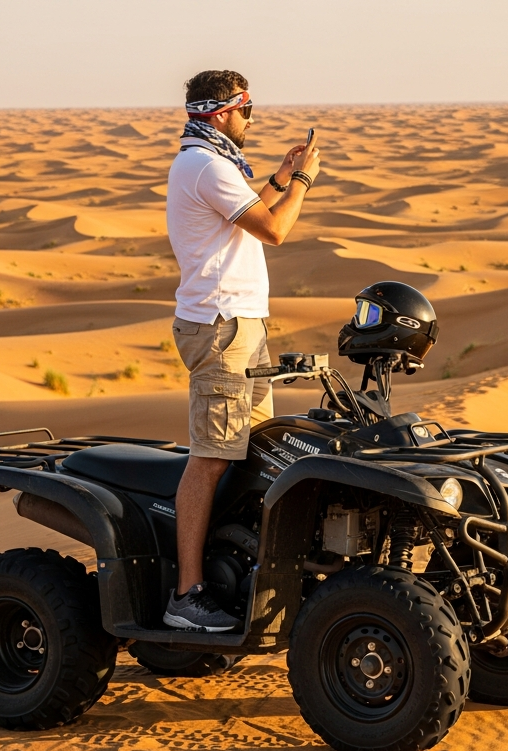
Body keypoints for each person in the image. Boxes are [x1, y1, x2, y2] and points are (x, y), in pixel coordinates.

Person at [162, 69, 321, 632]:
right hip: (222, 329)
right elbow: (273, 230)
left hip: (239, 326)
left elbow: (248, 213)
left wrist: (278, 177)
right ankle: (187, 594)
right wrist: (301, 180)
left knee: (253, 452)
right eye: (248, 111)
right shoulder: (206, 165)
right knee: (211, 456)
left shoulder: (210, 164)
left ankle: (241, 567)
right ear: (224, 112)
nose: (252, 121)